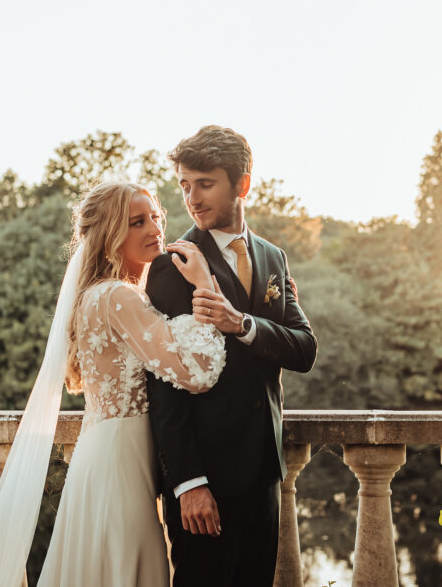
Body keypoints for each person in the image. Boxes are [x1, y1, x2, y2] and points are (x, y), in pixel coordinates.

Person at [0, 181, 228, 587]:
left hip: (103, 453)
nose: (155, 228)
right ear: (109, 236)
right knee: (124, 567)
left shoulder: (97, 295)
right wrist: (206, 286)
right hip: (120, 462)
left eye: (155, 216)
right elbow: (197, 373)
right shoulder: (118, 297)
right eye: (137, 222)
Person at [146, 125, 318, 587]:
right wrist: (188, 482)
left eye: (205, 183)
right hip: (207, 483)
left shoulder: (272, 258)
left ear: (242, 184)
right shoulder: (172, 266)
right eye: (185, 185)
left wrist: (241, 325)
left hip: (264, 472)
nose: (192, 198)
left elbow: (304, 350)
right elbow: (164, 387)